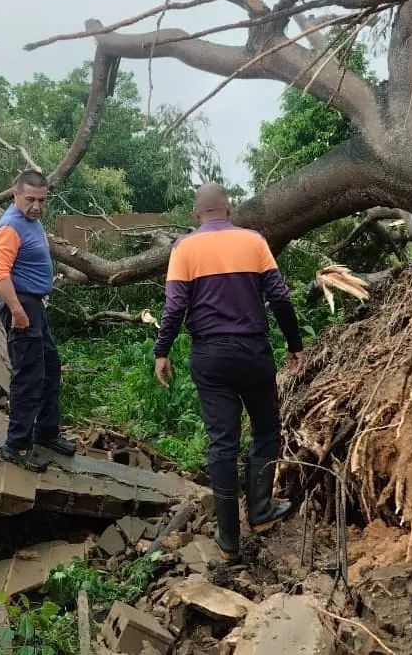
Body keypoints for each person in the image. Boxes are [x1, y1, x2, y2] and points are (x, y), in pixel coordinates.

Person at [153, 183, 304, 561]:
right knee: (267, 430)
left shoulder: (184, 248)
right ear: (229, 209)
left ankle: (228, 538)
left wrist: (162, 351)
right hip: (253, 351)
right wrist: (295, 344)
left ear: (195, 214)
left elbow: (174, 309)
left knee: (222, 442)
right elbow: (280, 298)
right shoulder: (253, 242)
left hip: (209, 356)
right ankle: (261, 512)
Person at [0, 169, 76, 472]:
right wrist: (18, 312)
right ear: (16, 195)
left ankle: (46, 432)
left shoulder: (32, 221)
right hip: (21, 305)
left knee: (50, 368)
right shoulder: (10, 226)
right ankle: (17, 445)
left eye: (42, 200)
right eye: (30, 200)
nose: (37, 206)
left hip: (34, 305)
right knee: (28, 378)